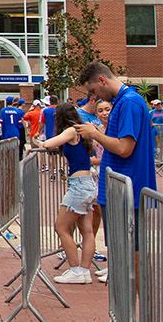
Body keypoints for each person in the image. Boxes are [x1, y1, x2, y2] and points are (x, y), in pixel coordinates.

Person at [76, 63, 156, 266]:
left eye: (94, 91)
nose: (94, 97)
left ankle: (136, 298)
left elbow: (124, 148)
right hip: (119, 192)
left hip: (129, 192)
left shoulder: (129, 103)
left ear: (102, 80)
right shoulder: (124, 102)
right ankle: (128, 297)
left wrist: (95, 134)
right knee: (123, 253)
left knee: (131, 254)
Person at [29, 102, 99, 283]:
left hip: (78, 186)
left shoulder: (70, 131)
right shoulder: (81, 131)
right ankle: (84, 271)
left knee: (61, 227)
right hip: (87, 183)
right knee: (87, 230)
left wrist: (36, 141)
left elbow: (48, 144)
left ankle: (76, 269)